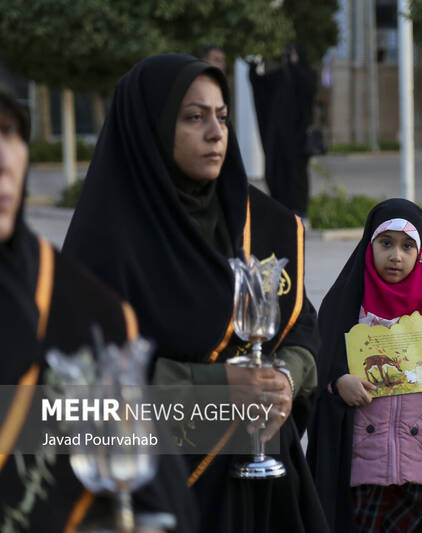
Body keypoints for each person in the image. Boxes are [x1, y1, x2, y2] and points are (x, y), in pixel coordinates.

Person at [62, 54, 326, 533]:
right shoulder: (108, 241)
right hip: (170, 490)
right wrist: (219, 388)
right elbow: (82, 382)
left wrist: (284, 379)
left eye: (222, 117)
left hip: (270, 482)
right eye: (193, 117)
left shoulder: (260, 222)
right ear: (151, 128)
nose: (216, 133)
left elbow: (302, 323)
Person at [0, 86, 198, 532]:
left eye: (9, 131)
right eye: (192, 117)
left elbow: (154, 498)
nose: (3, 159)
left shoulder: (87, 313)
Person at [307, 199, 422, 532]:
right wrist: (338, 382)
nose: (396, 256)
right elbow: (317, 365)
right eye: (386, 243)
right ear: (369, 245)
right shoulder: (346, 304)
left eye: (408, 246)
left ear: (421, 252)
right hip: (361, 466)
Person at [249, 42, 316, 219]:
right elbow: (261, 87)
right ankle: (278, 208)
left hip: (296, 139)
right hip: (277, 138)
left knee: (295, 176)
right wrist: (253, 71)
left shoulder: (306, 75)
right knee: (274, 170)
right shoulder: (279, 77)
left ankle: (299, 210)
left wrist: (293, 68)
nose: (290, 57)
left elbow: (307, 90)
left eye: (293, 53)